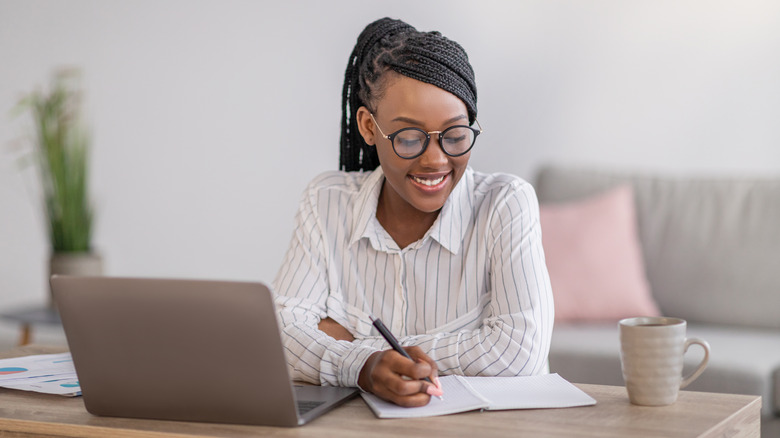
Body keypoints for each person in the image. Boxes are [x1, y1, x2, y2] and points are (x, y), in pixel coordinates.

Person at [273, 17, 554, 407]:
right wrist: (365, 365)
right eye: (409, 137)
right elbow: (280, 336)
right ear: (369, 128)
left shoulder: (505, 203)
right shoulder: (327, 201)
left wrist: (362, 355)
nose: (436, 160)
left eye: (455, 135)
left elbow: (520, 350)